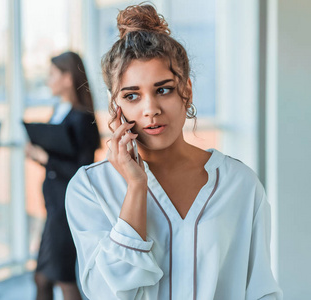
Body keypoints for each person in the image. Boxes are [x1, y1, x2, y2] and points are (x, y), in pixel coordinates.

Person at [65, 4, 282, 300]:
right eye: (132, 95)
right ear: (116, 105)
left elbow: (261, 291)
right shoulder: (89, 188)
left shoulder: (239, 184)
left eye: (163, 89)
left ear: (187, 90)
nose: (150, 109)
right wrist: (136, 187)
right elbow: (106, 293)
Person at [25, 51, 100, 300]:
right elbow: (59, 162)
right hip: (53, 206)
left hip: (66, 210)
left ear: (68, 78)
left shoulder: (82, 118)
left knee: (61, 277)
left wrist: (46, 158)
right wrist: (39, 156)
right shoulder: (59, 111)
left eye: (52, 75)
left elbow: (83, 170)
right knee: (44, 277)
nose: (48, 81)